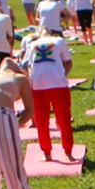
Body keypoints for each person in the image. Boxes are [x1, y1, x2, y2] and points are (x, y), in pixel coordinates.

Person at [20, 25, 76, 161]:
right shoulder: (59, 41)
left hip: (38, 85)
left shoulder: (32, 44)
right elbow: (68, 62)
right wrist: (63, 75)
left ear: (39, 34)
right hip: (58, 84)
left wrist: (29, 78)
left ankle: (47, 153)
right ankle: (68, 152)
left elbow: (25, 64)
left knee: (41, 120)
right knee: (63, 119)